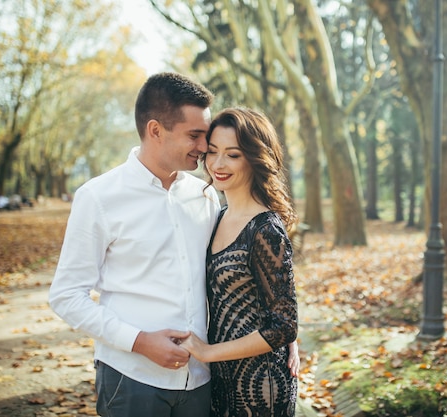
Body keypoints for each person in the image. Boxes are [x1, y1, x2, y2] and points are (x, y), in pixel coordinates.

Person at [48, 72, 220, 417]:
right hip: (131, 380)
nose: (204, 147)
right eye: (194, 135)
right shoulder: (98, 197)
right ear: (155, 130)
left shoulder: (205, 195)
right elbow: (66, 296)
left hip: (201, 379)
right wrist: (140, 342)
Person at [180, 107, 299, 416]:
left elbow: (284, 324)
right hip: (221, 380)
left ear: (255, 158)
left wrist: (207, 352)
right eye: (213, 152)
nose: (218, 164)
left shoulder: (265, 229)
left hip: (260, 387)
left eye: (233, 155)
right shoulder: (217, 217)